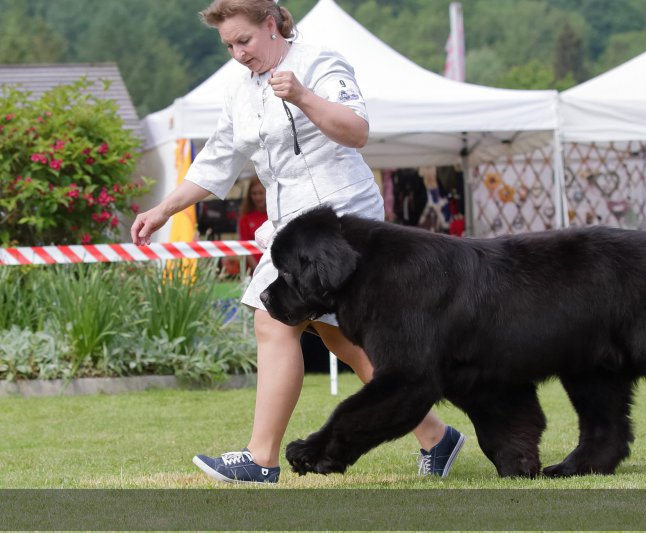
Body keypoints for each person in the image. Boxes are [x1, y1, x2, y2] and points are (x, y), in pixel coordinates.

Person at [130, 0, 465, 484]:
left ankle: (260, 460)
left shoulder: (319, 63)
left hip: (340, 221)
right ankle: (436, 435)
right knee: (341, 338)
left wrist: (305, 97)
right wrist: (163, 209)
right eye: (228, 46)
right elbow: (216, 163)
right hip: (291, 228)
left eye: (244, 41)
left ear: (271, 24)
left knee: (274, 320)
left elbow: (358, 131)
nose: (238, 54)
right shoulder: (238, 92)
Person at [238, 176, 268, 274]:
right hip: (253, 271)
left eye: (260, 193)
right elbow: (244, 246)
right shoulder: (245, 218)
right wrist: (257, 270)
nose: (258, 197)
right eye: (254, 193)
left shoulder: (275, 215)